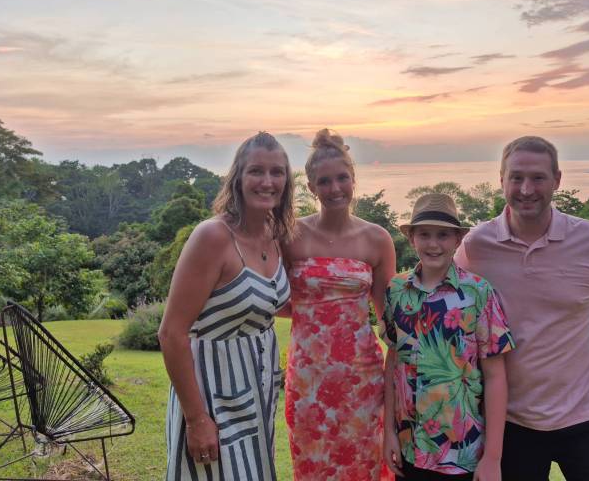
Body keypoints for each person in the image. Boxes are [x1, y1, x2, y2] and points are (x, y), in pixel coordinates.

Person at [454, 136, 589, 481]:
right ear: (501, 180)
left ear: (557, 180)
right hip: (509, 420)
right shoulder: (476, 245)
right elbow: (447, 307)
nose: (526, 189)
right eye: (516, 177)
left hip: (587, 413)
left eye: (538, 178)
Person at [159, 132, 295, 481]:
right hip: (210, 393)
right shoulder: (213, 237)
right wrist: (196, 418)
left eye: (277, 172)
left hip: (257, 386)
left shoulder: (274, 233)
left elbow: (268, 302)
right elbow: (171, 333)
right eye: (257, 171)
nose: (268, 181)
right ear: (238, 177)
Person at [283, 128, 396, 480]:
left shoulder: (376, 239)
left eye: (342, 178)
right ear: (312, 187)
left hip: (359, 376)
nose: (335, 189)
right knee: (312, 462)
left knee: (362, 461)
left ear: (353, 179)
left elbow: (388, 318)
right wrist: (314, 316)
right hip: (307, 376)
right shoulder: (290, 235)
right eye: (324, 181)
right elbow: (273, 298)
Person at [383, 193, 515, 481]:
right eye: (425, 234)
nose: (433, 244)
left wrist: (493, 457)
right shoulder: (396, 291)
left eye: (443, 235)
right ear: (412, 239)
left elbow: (495, 376)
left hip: (462, 452)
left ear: (457, 240)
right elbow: (393, 364)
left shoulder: (477, 293)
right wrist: (388, 434)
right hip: (410, 449)